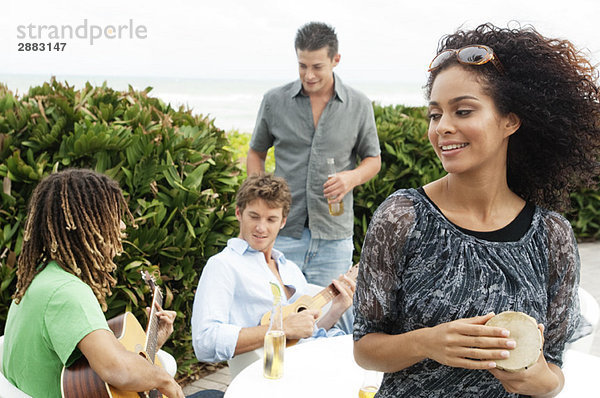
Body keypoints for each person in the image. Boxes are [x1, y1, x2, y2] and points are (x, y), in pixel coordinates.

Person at [353, 23, 600, 397]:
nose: (442, 128)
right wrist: (427, 342)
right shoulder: (402, 217)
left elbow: (553, 371)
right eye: (435, 115)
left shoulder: (552, 236)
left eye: (463, 111)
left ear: (510, 121)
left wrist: (535, 379)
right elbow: (364, 347)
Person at [2, 169, 219, 398]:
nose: (123, 227)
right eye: (114, 217)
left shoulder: (41, 278)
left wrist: (154, 344)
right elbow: (116, 369)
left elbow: (94, 373)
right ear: (85, 225)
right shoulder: (66, 293)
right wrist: (164, 379)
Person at [246, 22, 381, 314]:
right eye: (302, 65)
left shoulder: (359, 104)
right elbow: (256, 152)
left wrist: (351, 178)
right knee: (277, 317)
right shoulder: (274, 101)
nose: (309, 75)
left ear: (336, 60)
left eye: (317, 66)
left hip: (334, 236)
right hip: (283, 232)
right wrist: (258, 198)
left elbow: (373, 159)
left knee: (332, 319)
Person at [191, 174, 354, 364]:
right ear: (238, 213)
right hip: (270, 375)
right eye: (254, 216)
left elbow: (302, 338)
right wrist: (279, 328)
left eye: (271, 219)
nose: (261, 228)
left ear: (282, 222)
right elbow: (204, 342)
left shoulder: (290, 269)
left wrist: (336, 311)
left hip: (309, 361)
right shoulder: (223, 265)